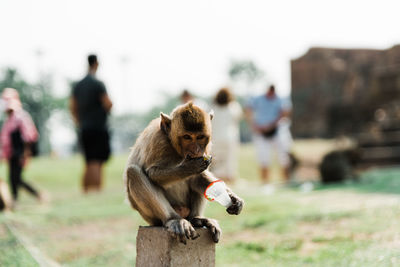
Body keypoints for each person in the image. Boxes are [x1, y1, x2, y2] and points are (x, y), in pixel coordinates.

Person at [70, 55, 113, 193]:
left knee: (88, 162)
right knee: (97, 162)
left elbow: (72, 106)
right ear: (96, 63)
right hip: (98, 128)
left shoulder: (78, 85)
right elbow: (108, 103)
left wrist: (79, 121)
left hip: (84, 128)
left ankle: (86, 191)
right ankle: (96, 192)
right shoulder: (98, 83)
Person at [0, 88, 42, 204]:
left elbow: (28, 137)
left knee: (17, 178)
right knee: (13, 178)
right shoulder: (8, 120)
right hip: (12, 153)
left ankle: (36, 194)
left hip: (19, 152)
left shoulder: (21, 117)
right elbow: (5, 140)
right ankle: (15, 199)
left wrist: (25, 153)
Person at [245, 85, 289, 193]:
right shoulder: (259, 99)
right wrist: (253, 125)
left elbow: (284, 113)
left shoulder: (280, 99)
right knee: (263, 159)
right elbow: (248, 109)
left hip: (276, 132)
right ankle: (265, 182)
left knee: (283, 158)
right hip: (261, 132)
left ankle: (286, 181)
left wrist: (272, 125)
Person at [210, 87, 243, 183]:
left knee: (216, 164)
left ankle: (217, 183)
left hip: (215, 139)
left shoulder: (212, 107)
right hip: (230, 139)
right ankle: (229, 182)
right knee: (229, 164)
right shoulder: (234, 106)